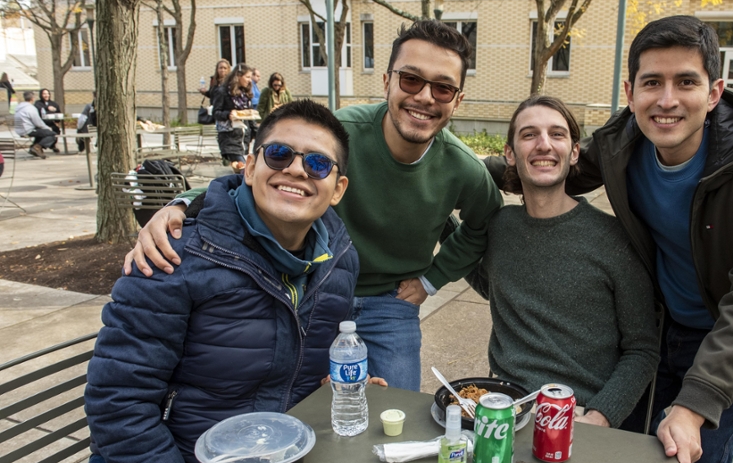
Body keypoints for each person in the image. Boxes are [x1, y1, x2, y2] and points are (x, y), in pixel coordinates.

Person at [489, 16, 733, 463]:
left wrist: (696, 403)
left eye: (686, 82)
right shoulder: (618, 146)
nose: (668, 100)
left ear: (715, 91)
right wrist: (459, 169)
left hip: (730, 335)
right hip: (663, 316)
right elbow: (551, 166)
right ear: (630, 93)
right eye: (652, 82)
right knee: (636, 455)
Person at [124, 20, 503, 392]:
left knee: (396, 413)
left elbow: (480, 226)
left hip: (391, 302)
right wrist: (183, 203)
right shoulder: (342, 133)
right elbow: (266, 174)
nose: (424, 96)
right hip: (315, 290)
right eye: (411, 79)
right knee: (309, 410)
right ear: (387, 81)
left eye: (442, 88)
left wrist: (430, 281)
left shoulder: (462, 167)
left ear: (457, 100)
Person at [69, 99, 366, 463]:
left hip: (269, 460)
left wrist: (339, 384)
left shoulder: (340, 260)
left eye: (317, 163)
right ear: (248, 167)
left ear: (338, 187)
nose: (297, 171)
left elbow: (316, 360)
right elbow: (118, 403)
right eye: (279, 154)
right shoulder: (172, 257)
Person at [467, 96, 659, 427]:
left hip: (578, 413)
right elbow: (495, 286)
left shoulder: (614, 239)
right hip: (505, 406)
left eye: (556, 134)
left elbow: (642, 350)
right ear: (510, 154)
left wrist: (601, 416)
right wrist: (439, 220)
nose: (543, 145)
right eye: (529, 135)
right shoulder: (501, 226)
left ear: (573, 152)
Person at [211, 63, 254, 168]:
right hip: (229, 138)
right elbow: (216, 113)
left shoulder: (245, 93)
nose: (250, 80)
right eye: (247, 77)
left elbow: (250, 116)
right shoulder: (222, 91)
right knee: (243, 170)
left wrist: (258, 132)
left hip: (244, 139)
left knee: (242, 171)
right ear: (238, 76)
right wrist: (228, 115)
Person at [13, 91, 58, 158]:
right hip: (28, 130)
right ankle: (36, 147)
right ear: (32, 98)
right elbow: (38, 122)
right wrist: (48, 128)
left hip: (20, 130)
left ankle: (34, 148)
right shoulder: (30, 108)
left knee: (42, 132)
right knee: (52, 134)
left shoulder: (19, 108)